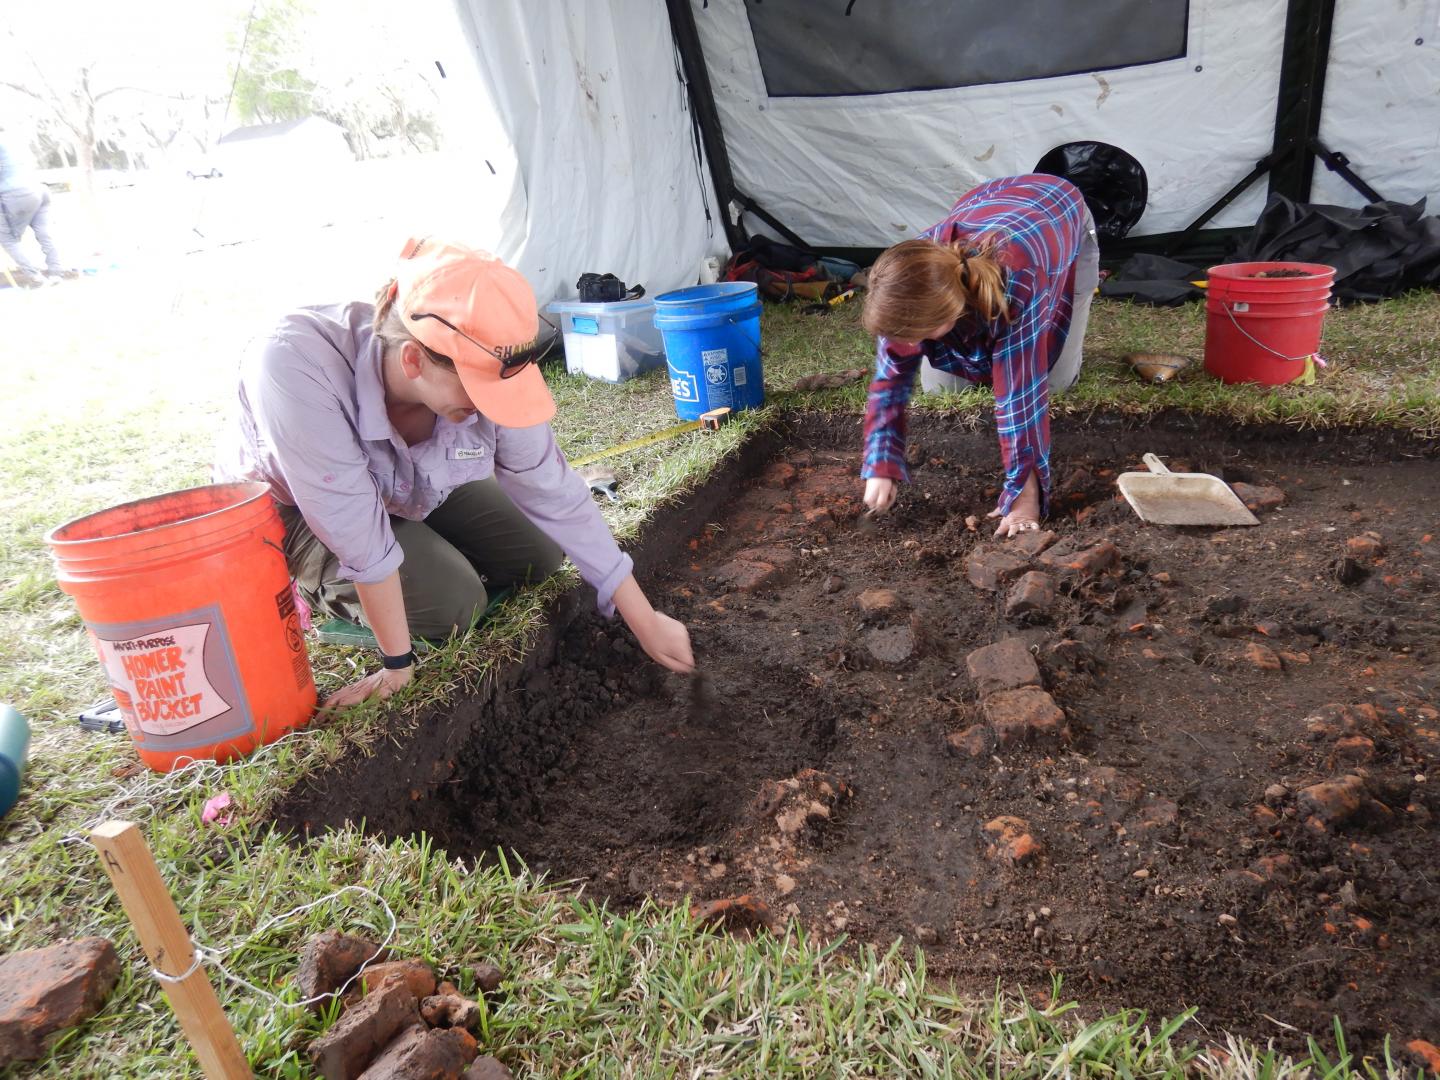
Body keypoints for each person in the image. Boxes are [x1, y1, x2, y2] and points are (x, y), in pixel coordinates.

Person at [215, 237, 695, 707]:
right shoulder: (293, 364)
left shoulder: (492, 360)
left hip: (410, 484)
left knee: (541, 553)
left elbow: (554, 492)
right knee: (455, 607)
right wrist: (397, 664)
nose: (491, 410)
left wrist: (643, 615)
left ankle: (425, 548)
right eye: (479, 396)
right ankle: (325, 584)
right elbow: (354, 528)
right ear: (413, 361)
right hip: (306, 506)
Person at [858, 173, 1099, 538]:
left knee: (1056, 381)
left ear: (951, 315)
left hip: (1060, 217)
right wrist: (881, 463)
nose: (907, 343)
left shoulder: (1021, 278)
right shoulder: (910, 276)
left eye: (917, 335)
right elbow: (889, 379)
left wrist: (1024, 497)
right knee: (944, 390)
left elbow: (1021, 393)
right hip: (992, 198)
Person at [0, 132, 65, 285]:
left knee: (8, 240)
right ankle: (56, 273)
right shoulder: (10, 140)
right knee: (44, 234)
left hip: (15, 193)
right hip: (39, 189)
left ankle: (36, 277)